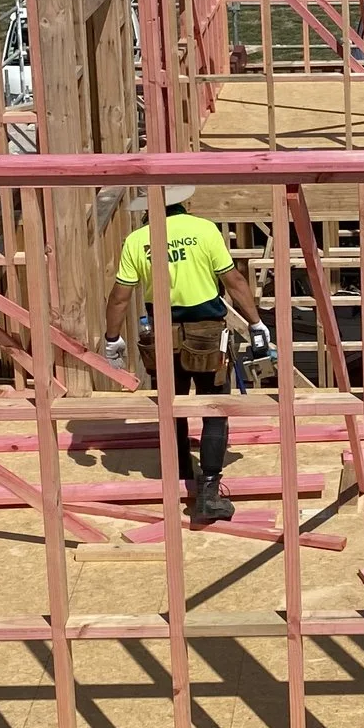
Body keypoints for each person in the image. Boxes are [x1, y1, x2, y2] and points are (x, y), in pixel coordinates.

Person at [102, 185, 269, 526]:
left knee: (172, 406)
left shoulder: (138, 240)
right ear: (185, 203)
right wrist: (256, 324)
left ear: (149, 209)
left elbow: (120, 297)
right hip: (207, 334)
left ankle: (179, 472)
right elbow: (234, 280)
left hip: (164, 336)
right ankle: (207, 494)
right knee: (213, 409)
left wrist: (112, 338)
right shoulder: (203, 230)